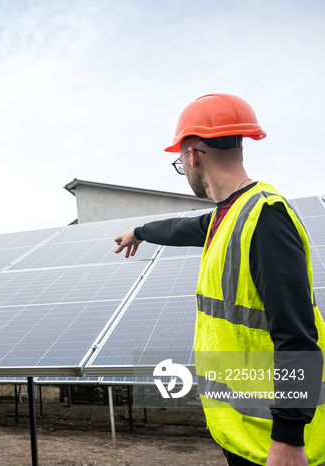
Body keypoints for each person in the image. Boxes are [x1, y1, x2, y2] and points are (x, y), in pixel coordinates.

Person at [113, 94, 325, 465]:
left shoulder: (265, 218)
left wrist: (289, 440)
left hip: (276, 441)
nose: (184, 168)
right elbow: (180, 228)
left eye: (180, 162)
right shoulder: (228, 216)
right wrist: (139, 231)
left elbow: (297, 334)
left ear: (193, 155)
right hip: (244, 429)